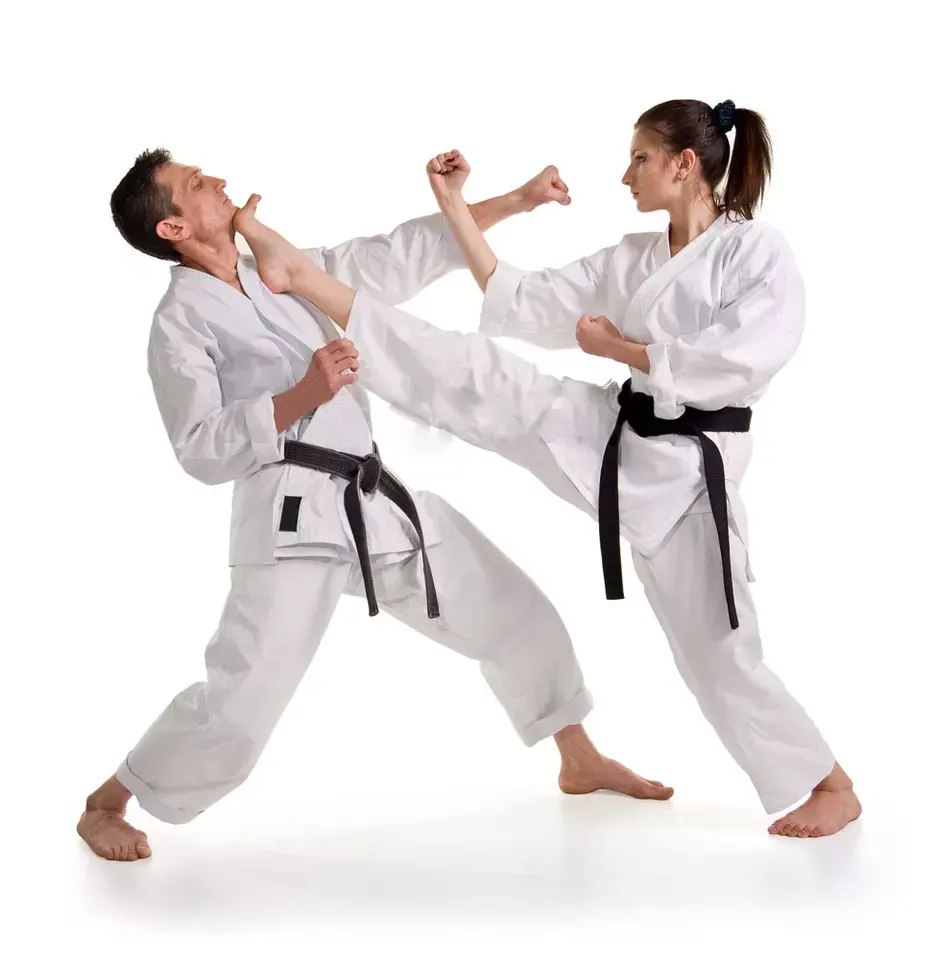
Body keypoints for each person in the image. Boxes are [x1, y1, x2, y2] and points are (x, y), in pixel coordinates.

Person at [230, 99, 862, 839]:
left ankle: (830, 784)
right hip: (615, 435)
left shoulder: (755, 254)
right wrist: (454, 204)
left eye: (640, 158)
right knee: (481, 377)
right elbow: (522, 298)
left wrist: (620, 350)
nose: (626, 175)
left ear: (685, 164)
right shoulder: (634, 257)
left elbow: (741, 359)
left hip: (687, 481)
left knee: (719, 658)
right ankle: (307, 279)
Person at [77, 149, 673, 863]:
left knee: (512, 608)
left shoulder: (280, 268)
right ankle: (108, 802)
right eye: (197, 184)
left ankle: (578, 757)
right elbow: (200, 447)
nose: (219, 181)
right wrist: (303, 394)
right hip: (291, 519)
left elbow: (397, 256)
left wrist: (514, 201)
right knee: (242, 702)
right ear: (173, 227)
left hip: (371, 499)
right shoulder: (180, 321)